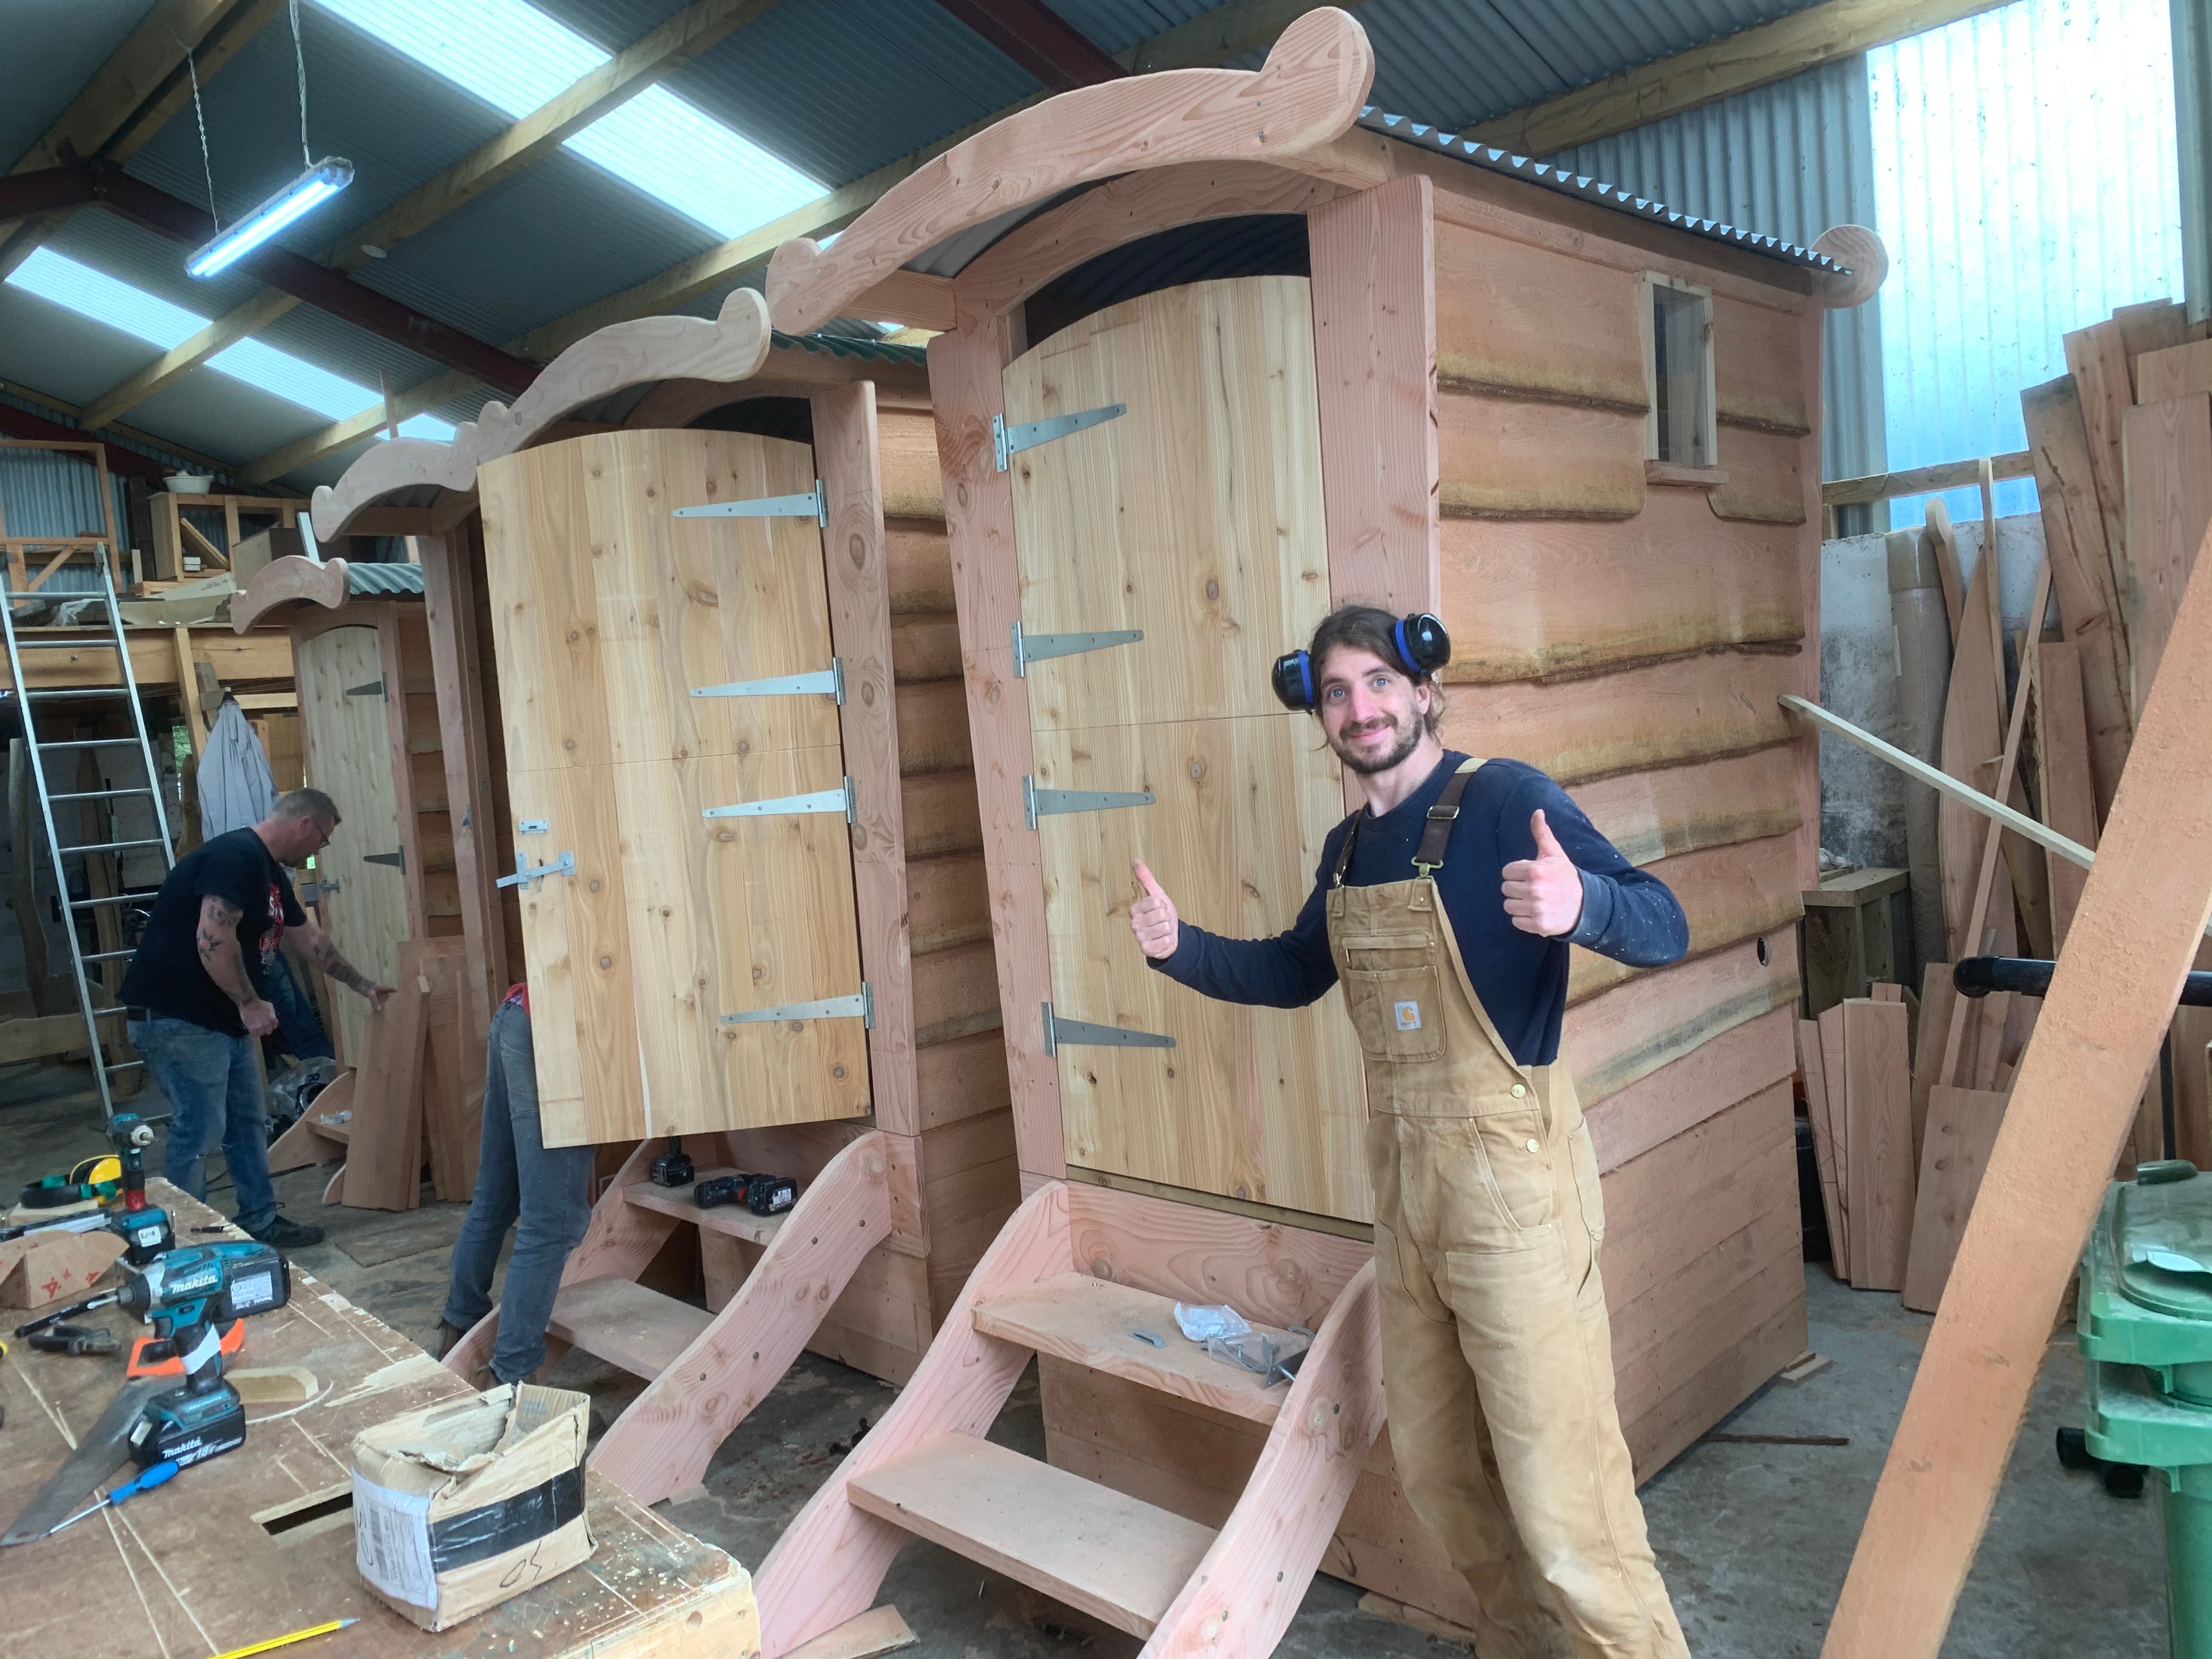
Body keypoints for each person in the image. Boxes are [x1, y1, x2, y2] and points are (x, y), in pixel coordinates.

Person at [1128, 604, 1694, 1659]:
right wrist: (1179, 947)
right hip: (1408, 1195)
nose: (1361, 707)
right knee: (1440, 1470)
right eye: (1337, 691)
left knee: (1564, 1496)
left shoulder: (1506, 800)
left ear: (1424, 689)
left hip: (1513, 1195)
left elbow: (1664, 920)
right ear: (1319, 713)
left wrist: (1584, 906)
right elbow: (1295, 969)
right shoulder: (1347, 851)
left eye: (1380, 681)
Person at [121, 788, 394, 1246]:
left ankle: (259, 1221)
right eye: (323, 839)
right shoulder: (235, 857)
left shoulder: (270, 873)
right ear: (305, 825)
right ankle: (181, 1238)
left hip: (218, 1020)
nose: (319, 850)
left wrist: (361, 984)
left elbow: (310, 942)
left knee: (248, 1122)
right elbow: (212, 938)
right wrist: (249, 1003)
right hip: (178, 1019)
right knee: (200, 1129)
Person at [435, 984, 596, 1385]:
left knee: (496, 1196)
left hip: (518, 1013)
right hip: (555, 1029)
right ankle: (513, 1379)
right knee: (551, 1223)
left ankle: (458, 1331)